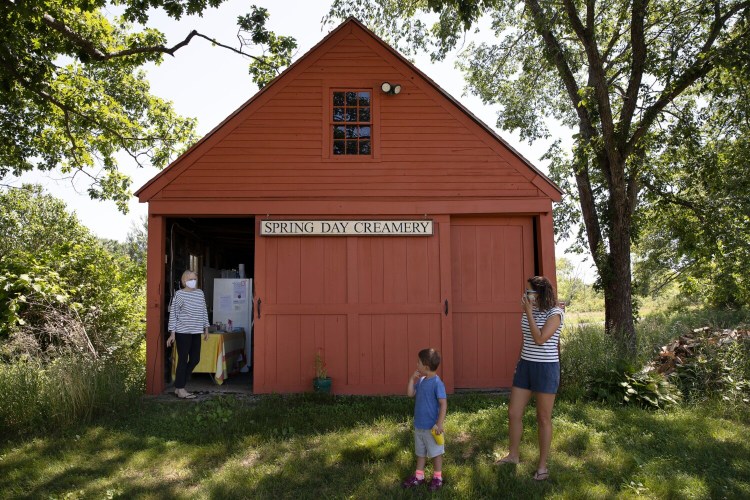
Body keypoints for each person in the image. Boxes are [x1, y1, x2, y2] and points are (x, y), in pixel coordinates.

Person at [496, 276, 564, 481]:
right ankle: (513, 455)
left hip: (546, 369)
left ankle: (542, 466)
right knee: (514, 412)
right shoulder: (529, 312)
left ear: (540, 293)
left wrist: (528, 312)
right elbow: (527, 340)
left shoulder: (556, 313)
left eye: (529, 292)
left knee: (543, 417)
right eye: (525, 292)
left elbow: (540, 339)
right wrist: (519, 362)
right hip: (525, 366)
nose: (525, 295)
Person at [401, 348, 447, 492]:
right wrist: (410, 379)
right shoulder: (420, 381)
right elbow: (410, 394)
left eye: (418, 362)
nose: (416, 364)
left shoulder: (437, 383)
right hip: (419, 426)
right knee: (420, 453)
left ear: (425, 367)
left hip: (432, 428)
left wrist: (439, 423)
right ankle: (419, 476)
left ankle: (438, 477)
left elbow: (443, 403)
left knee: (435, 453)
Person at [167, 270, 209, 399]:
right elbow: (174, 314)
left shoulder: (200, 293)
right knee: (183, 360)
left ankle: (179, 385)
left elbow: (204, 311)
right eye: (191, 279)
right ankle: (181, 389)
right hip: (182, 332)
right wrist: (172, 334)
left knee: (195, 359)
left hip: (196, 331)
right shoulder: (179, 295)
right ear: (184, 281)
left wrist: (206, 328)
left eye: (195, 279)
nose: (193, 281)